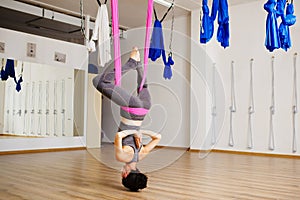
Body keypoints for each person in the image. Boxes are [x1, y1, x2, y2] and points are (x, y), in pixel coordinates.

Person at [93, 47, 161, 191]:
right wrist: (135, 133)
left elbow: (158, 137)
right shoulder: (122, 156)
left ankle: (137, 63)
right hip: (132, 109)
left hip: (144, 109)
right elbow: (119, 136)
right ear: (125, 174)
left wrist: (141, 132)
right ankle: (131, 62)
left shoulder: (141, 155)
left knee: (143, 86)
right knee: (99, 82)